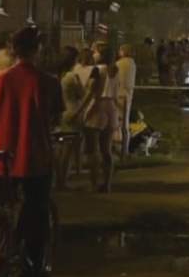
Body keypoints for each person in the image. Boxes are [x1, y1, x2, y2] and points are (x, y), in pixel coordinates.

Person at [0, 26, 60, 277]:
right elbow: (54, 116)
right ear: (37, 49)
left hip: (1, 158)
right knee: (36, 219)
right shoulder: (47, 82)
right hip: (34, 159)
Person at [82, 51, 120, 193]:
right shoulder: (115, 70)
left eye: (97, 52)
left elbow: (92, 91)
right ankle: (107, 184)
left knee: (93, 151)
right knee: (106, 150)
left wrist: (83, 111)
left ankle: (93, 184)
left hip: (97, 107)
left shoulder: (97, 69)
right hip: (111, 107)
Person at [53, 47, 84, 191]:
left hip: (61, 111)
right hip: (73, 112)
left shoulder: (58, 75)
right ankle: (62, 181)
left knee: (60, 149)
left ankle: (58, 178)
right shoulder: (72, 76)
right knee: (68, 151)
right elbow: (81, 94)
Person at [115, 44, 137, 160]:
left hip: (118, 95)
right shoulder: (132, 64)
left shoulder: (119, 64)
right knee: (125, 123)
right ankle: (125, 150)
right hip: (128, 96)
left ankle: (120, 150)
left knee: (118, 124)